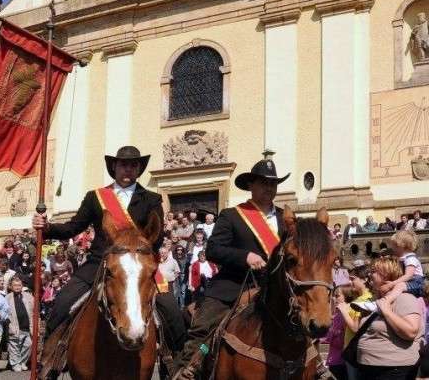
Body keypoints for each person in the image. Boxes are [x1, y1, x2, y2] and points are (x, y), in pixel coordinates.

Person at [33, 146, 186, 354]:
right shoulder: (96, 197)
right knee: (62, 303)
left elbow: (156, 237)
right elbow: (74, 226)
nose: (128, 169)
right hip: (99, 262)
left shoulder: (152, 199)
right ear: (114, 166)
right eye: (123, 165)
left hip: (138, 265)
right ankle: (49, 359)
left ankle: (174, 363)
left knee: (172, 313)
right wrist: (48, 227)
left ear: (139, 169)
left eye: (133, 165)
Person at [173, 152, 289, 378]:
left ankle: (318, 367)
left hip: (274, 289)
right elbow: (214, 249)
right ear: (251, 185)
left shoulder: (286, 218)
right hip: (234, 287)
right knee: (206, 329)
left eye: (273, 183)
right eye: (263, 183)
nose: (269, 188)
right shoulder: (232, 215)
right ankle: (190, 367)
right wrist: (245, 256)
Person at [356, 256, 423, 379]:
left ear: (386, 274)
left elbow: (411, 331)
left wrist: (386, 311)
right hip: (368, 368)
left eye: (374, 271)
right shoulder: (374, 301)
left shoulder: (405, 298)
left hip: (393, 370)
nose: (370, 274)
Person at [355, 230, 425, 314]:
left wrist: (392, 284)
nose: (392, 249)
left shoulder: (410, 259)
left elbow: (408, 276)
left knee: (399, 286)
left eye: (394, 246)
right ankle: (377, 302)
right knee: (394, 286)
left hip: (416, 283)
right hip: (410, 282)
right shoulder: (404, 258)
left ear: (401, 246)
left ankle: (383, 303)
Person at [337, 265, 373, 380]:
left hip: (356, 352)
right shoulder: (359, 299)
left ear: (364, 279)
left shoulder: (366, 300)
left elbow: (356, 328)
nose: (350, 281)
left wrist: (343, 311)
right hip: (351, 350)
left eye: (353, 278)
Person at [323, 285, 359, 380]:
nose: (334, 298)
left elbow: (339, 338)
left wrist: (327, 337)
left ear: (347, 296)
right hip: (335, 359)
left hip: (341, 360)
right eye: (333, 295)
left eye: (337, 295)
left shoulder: (346, 313)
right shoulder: (337, 313)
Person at [6, 277, 33, 372]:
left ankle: (22, 362)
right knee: (14, 347)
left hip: (27, 327)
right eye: (15, 285)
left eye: (19, 285)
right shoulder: (7, 298)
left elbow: (34, 311)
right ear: (11, 286)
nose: (17, 287)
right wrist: (10, 326)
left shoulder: (28, 296)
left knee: (28, 345)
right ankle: (15, 363)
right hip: (14, 326)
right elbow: (5, 314)